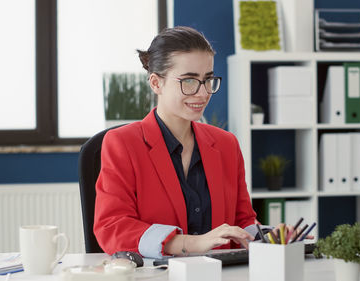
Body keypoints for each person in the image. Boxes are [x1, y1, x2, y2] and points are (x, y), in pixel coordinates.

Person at [94, 26, 261, 259]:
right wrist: (191, 243)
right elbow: (112, 227)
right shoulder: (122, 143)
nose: (202, 94)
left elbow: (242, 220)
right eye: (189, 81)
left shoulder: (226, 144)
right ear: (155, 83)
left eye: (208, 80)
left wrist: (269, 237)